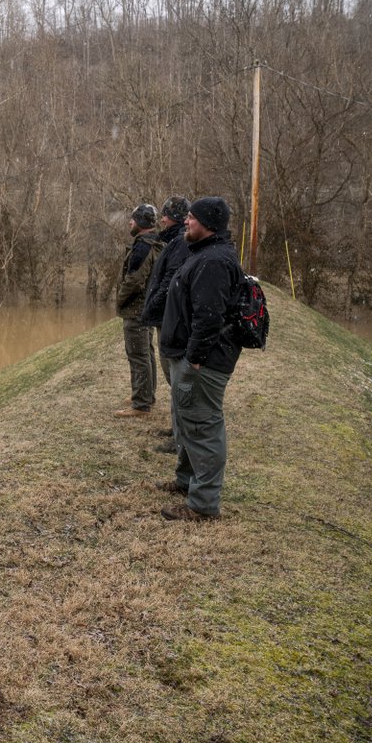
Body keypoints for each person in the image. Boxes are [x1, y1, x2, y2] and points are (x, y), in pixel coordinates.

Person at [157, 196, 242, 520]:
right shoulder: (204, 254)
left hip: (203, 362)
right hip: (189, 356)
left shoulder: (214, 262)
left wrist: (193, 360)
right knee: (187, 421)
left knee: (203, 426)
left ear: (207, 224)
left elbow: (209, 317)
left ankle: (203, 505)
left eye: (191, 218)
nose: (186, 222)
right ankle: (186, 481)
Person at [140, 196, 190, 451]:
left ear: (177, 218)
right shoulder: (174, 241)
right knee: (174, 378)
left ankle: (181, 437)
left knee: (176, 379)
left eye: (166, 216)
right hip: (165, 318)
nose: (161, 219)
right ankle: (176, 428)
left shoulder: (180, 243)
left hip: (170, 319)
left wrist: (151, 307)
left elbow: (171, 281)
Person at [114, 203, 163, 418]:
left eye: (133, 219)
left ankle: (141, 403)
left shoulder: (143, 247)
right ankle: (146, 394)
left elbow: (134, 280)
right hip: (147, 307)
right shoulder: (155, 243)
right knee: (146, 352)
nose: (130, 222)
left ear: (141, 222)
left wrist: (119, 299)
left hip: (137, 309)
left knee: (138, 354)